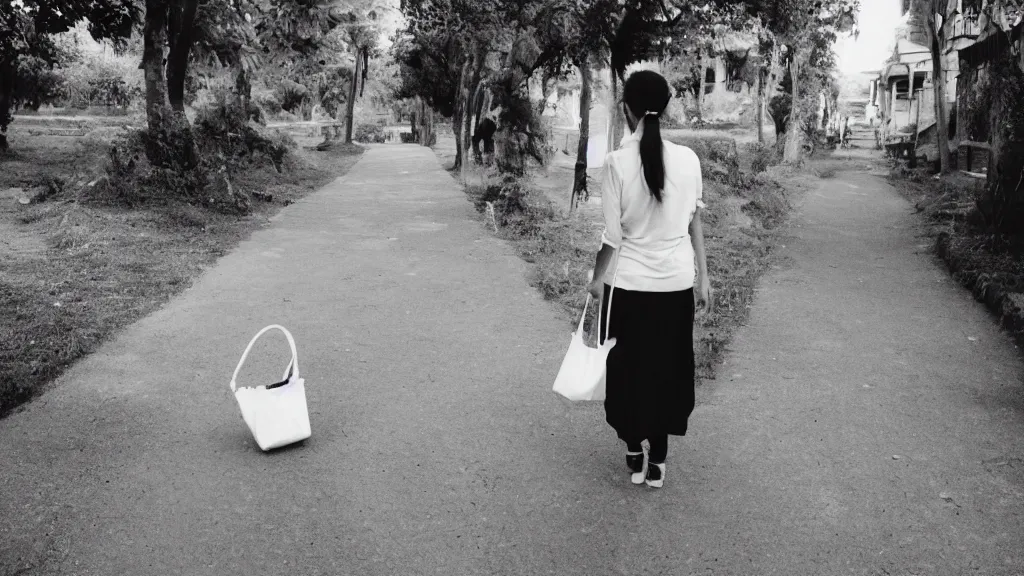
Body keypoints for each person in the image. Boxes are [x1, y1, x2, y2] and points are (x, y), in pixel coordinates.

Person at [587, 70, 712, 489]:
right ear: (668, 106)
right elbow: (695, 222)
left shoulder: (616, 163)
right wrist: (703, 278)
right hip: (675, 287)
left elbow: (611, 237)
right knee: (667, 369)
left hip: (629, 288)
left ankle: (633, 449)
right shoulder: (689, 160)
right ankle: (658, 458)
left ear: (627, 110)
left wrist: (597, 277)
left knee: (626, 370)